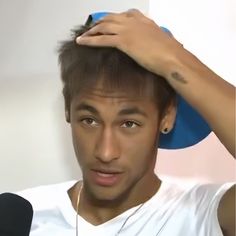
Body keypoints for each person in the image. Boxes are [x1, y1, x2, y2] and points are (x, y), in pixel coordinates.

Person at [18, 10, 235, 236]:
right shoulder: (21, 217)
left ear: (167, 116)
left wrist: (173, 59)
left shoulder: (204, 215)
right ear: (67, 109)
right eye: (89, 120)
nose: (105, 152)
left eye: (129, 123)